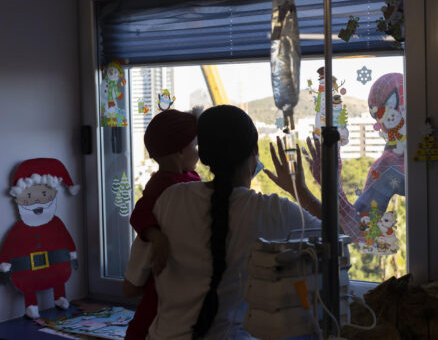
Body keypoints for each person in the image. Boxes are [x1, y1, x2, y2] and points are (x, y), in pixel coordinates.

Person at [126, 105, 321, 340]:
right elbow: (337, 234)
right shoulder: (270, 210)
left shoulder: (170, 199)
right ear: (254, 152)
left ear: (204, 155)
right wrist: (299, 190)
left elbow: (131, 285)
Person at [123, 109, 202, 340]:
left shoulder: (187, 178)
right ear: (179, 150)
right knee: (148, 318)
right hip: (162, 276)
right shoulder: (164, 185)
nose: (197, 154)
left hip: (173, 280)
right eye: (194, 147)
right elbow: (139, 213)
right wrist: (157, 237)